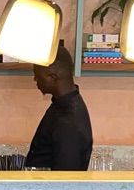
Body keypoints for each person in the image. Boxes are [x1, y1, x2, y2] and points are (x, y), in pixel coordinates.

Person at [25, 43, 93, 171]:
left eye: (38, 76)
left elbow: (65, 180)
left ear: (52, 78)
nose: (35, 79)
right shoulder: (61, 106)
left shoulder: (69, 122)